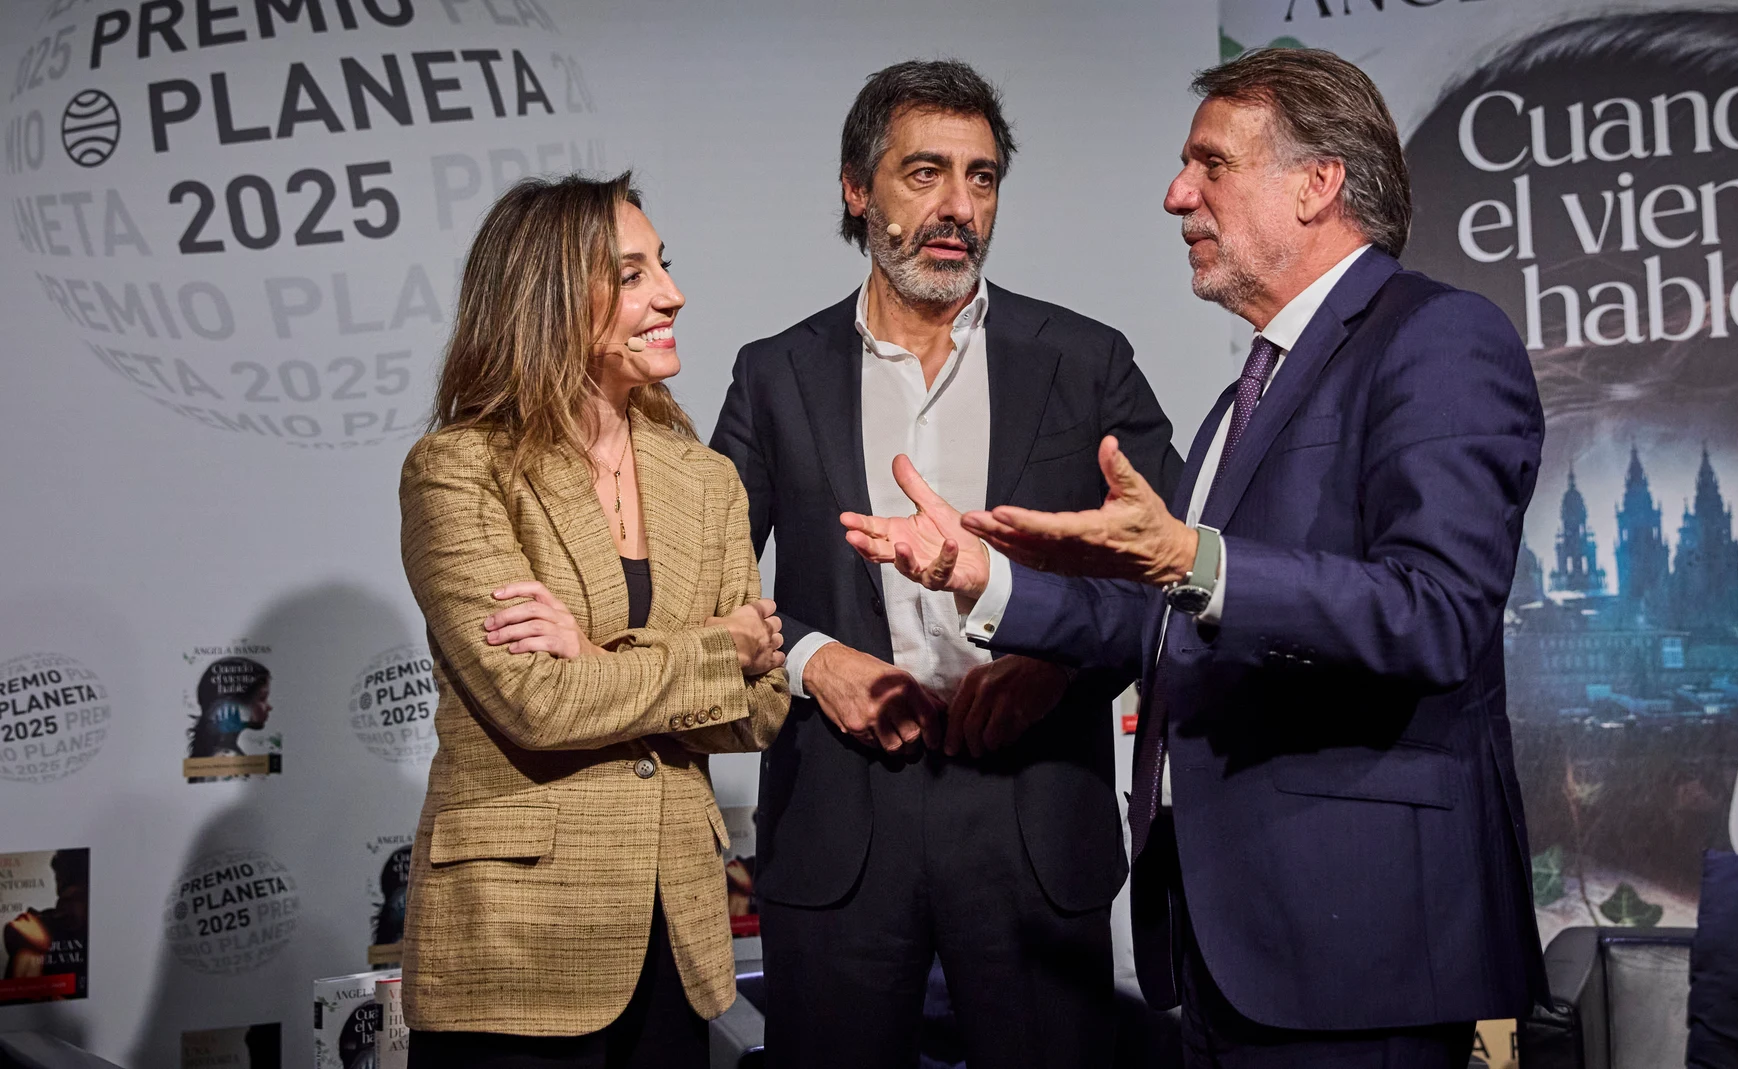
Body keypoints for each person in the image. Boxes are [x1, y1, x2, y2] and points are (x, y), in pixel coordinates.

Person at [845, 48, 1549, 1068]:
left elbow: (1436, 609)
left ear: (1317, 185)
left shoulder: (1437, 338)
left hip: (1363, 952)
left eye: (1209, 164)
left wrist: (1195, 558)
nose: (1178, 195)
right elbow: (1156, 615)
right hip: (1230, 943)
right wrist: (979, 578)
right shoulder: (1247, 392)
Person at [708, 60, 1180, 1068]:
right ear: (856, 187)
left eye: (982, 177)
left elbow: (1166, 571)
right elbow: (709, 583)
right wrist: (810, 660)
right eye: (924, 174)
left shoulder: (1086, 360)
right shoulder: (773, 372)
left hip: (1032, 815)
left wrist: (1053, 665)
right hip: (839, 823)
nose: (958, 207)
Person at [397, 172, 791, 1068]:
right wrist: (715, 648)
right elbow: (536, 702)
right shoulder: (459, 470)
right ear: (547, 296)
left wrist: (593, 654)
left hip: (675, 939)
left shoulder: (705, 478)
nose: (672, 293)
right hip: (513, 948)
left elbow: (764, 705)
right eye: (633, 273)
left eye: (666, 265)